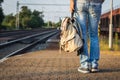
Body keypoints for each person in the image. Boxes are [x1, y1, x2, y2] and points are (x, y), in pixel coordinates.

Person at [70, 0, 105, 73]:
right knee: (94, 35)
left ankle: (85, 65)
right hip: (96, 3)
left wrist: (71, 2)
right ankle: (94, 64)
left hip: (81, 3)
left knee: (83, 35)